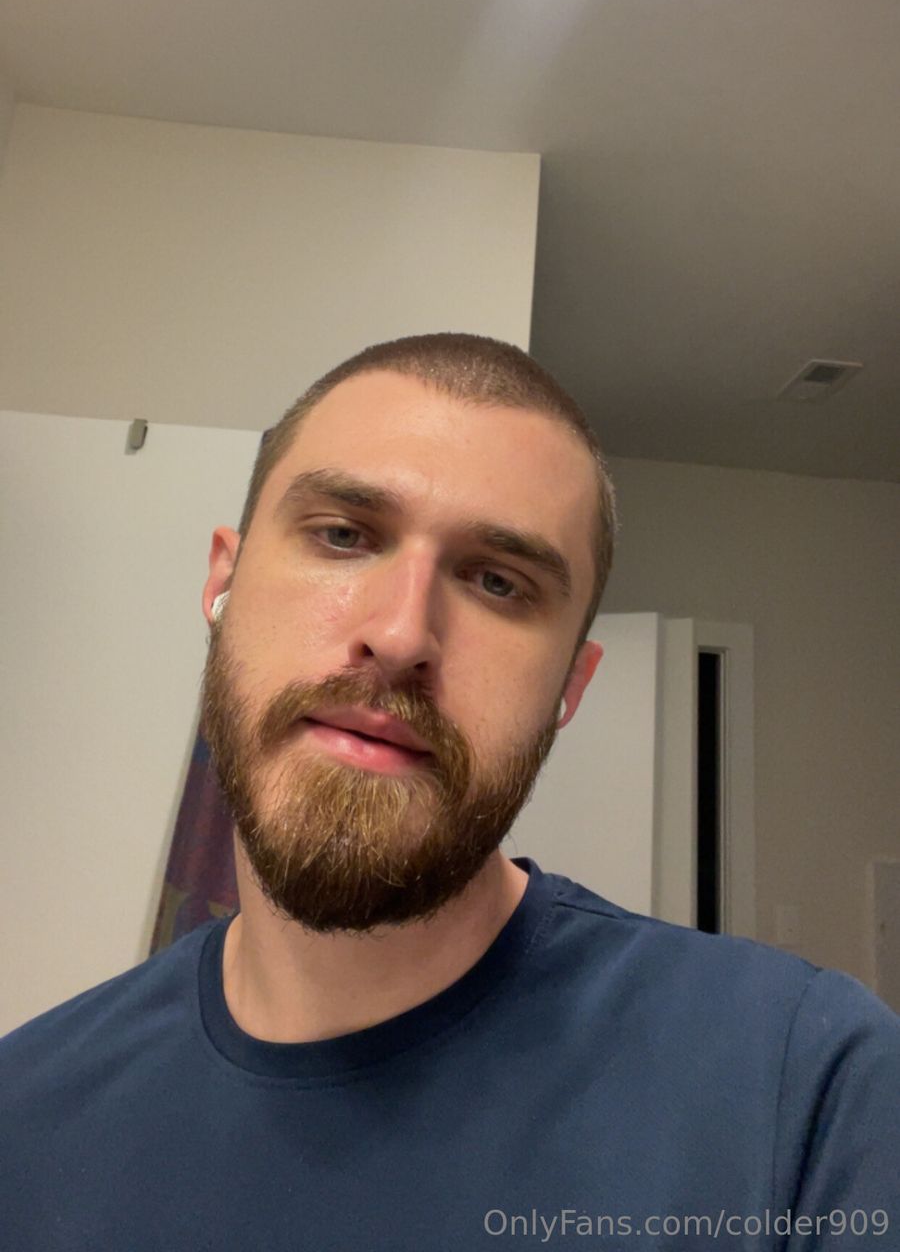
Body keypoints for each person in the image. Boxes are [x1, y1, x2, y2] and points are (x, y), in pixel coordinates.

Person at [1, 332, 897, 1251]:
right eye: (343, 535)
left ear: (570, 687)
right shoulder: (23, 1118)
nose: (400, 636)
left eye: (498, 582)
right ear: (222, 583)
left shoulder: (805, 1093)